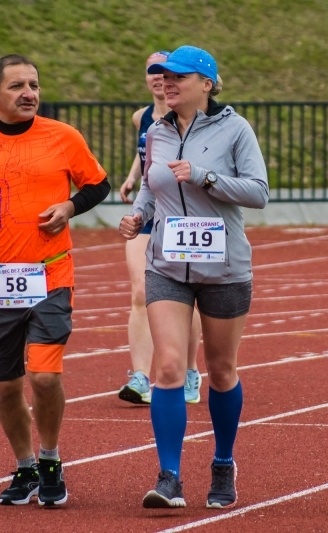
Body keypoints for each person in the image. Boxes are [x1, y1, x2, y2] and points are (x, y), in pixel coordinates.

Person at [0, 54, 110, 507]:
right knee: (6, 385)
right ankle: (25, 464)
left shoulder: (63, 137)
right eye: (17, 86)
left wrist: (70, 208)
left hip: (51, 272)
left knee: (45, 376)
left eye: (34, 84)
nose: (29, 93)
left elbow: (98, 184)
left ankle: (51, 457)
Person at [118, 45, 269, 510]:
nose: (167, 82)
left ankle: (223, 463)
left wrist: (204, 177)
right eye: (163, 76)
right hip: (167, 264)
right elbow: (150, 185)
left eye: (179, 76)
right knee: (167, 368)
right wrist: (138, 216)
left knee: (221, 371)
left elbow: (259, 192)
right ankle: (169, 476)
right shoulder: (156, 131)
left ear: (206, 83)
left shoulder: (235, 129)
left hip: (223, 268)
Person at [117, 51, 203, 406]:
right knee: (140, 291)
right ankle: (139, 377)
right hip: (148, 213)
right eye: (152, 74)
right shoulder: (143, 119)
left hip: (182, 216)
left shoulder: (197, 120)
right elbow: (145, 159)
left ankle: (190, 371)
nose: (158, 80)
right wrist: (132, 179)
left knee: (189, 298)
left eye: (165, 74)